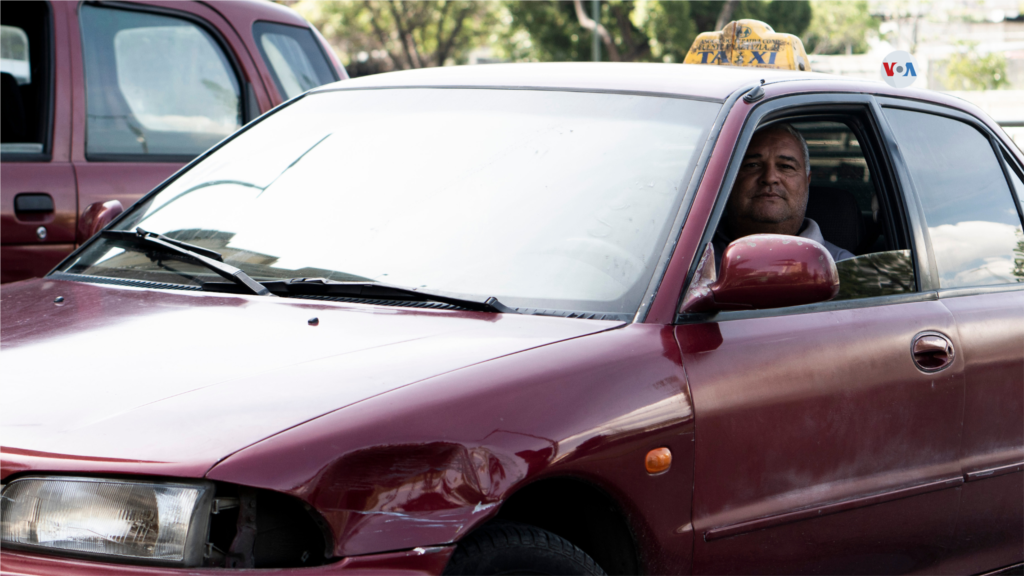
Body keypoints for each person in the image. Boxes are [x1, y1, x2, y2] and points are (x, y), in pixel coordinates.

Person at [713, 123, 854, 266]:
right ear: (729, 178)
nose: (769, 177)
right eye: (753, 165)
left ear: (807, 181)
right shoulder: (696, 259)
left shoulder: (843, 270)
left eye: (786, 166)